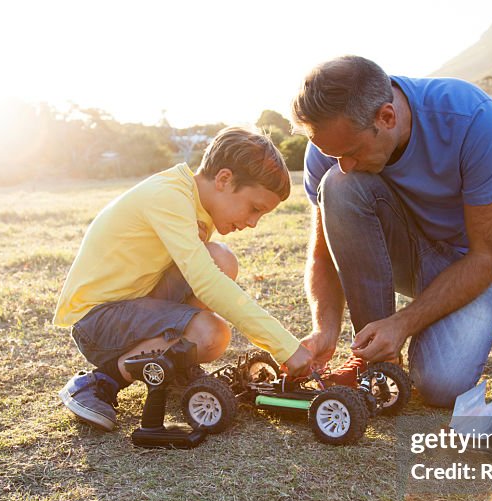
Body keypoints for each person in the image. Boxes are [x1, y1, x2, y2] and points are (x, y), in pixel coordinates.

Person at [291, 55, 492, 407]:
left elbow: (487, 255)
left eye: (352, 152)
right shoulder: (332, 144)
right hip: (401, 255)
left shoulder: (473, 117)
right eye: (332, 153)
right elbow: (324, 253)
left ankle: (415, 333)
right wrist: (325, 327)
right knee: (339, 184)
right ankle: (376, 362)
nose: (345, 163)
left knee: (442, 386)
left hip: (469, 262)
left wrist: (403, 323)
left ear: (386, 117)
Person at [53, 127, 312, 430]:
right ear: (224, 179)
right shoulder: (168, 196)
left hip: (134, 304)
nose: (253, 223)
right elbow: (207, 284)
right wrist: (285, 347)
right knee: (211, 334)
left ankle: (174, 367)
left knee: (221, 258)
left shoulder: (196, 202)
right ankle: (100, 381)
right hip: (97, 322)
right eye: (254, 208)